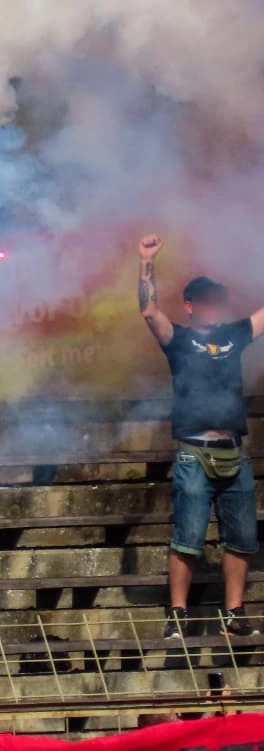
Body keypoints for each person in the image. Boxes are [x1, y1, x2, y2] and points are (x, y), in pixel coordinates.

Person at [137, 234, 264, 638]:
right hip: (194, 451)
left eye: (217, 301)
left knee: (242, 538)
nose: (213, 308)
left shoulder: (233, 335)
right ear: (190, 306)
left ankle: (233, 611)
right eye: (205, 301)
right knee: (188, 538)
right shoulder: (180, 339)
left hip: (234, 451)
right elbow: (148, 311)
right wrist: (147, 263)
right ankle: (178, 613)